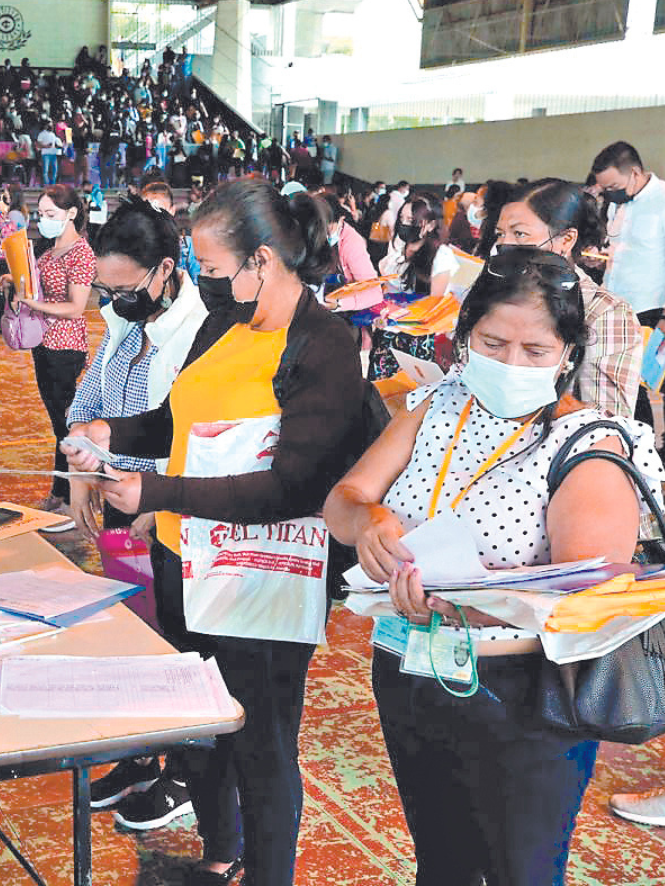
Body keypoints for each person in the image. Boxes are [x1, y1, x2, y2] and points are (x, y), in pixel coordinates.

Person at [324, 246, 663, 886]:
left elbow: (590, 602)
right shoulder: (439, 404)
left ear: (568, 354)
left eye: (535, 351)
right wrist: (368, 522)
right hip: (408, 670)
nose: (511, 362)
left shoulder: (589, 446)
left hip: (521, 700)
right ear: (464, 336)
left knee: (522, 871)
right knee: (442, 865)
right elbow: (345, 498)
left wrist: (470, 603)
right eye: (492, 341)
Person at [65, 180, 368, 886]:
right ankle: (220, 853)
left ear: (262, 260)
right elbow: (178, 417)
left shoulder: (322, 347)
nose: (206, 284)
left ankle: (267, 873)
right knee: (197, 729)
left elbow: (290, 487)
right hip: (184, 555)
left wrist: (158, 490)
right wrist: (109, 432)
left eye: (214, 270)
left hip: (266, 575)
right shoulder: (223, 322)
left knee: (261, 744)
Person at [64, 196, 209, 826]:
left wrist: (160, 503)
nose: (115, 300)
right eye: (106, 288)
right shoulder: (124, 324)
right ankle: (145, 753)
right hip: (120, 503)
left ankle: (183, 774)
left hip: (167, 511)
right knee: (134, 635)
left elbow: (192, 436)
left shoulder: (198, 333)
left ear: (166, 269)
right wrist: (80, 472)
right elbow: (88, 400)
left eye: (126, 288)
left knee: (178, 644)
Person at [493, 178, 640, 419]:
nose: (504, 244)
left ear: (566, 240)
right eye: (500, 234)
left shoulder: (604, 312)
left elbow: (608, 421)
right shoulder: (497, 293)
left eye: (519, 233)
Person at [10, 184, 95, 524]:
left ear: (71, 214)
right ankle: (62, 492)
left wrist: (34, 303)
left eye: (50, 215)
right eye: (41, 215)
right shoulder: (48, 252)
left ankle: (68, 494)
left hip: (66, 346)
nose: (44, 221)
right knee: (58, 424)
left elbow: (76, 307)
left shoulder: (80, 253)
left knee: (66, 424)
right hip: (44, 343)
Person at [370, 194, 459, 379]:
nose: (404, 224)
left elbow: (433, 305)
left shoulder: (441, 255)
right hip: (386, 331)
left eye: (411, 220)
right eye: (401, 218)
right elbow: (386, 289)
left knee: (406, 391)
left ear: (431, 224)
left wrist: (399, 312)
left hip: (414, 337)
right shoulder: (397, 247)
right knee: (378, 388)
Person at [591, 141, 665, 323]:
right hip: (612, 301)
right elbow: (624, 248)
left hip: (648, 308)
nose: (610, 194)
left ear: (635, 173)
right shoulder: (616, 204)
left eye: (614, 187)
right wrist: (600, 260)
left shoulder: (661, 199)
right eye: (605, 189)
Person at [37, 122, 63, 186]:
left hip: (53, 153)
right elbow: (38, 144)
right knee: (46, 170)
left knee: (55, 169)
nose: (51, 127)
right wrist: (46, 146)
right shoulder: (41, 134)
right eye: (50, 126)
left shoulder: (53, 134)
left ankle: (53, 183)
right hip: (45, 153)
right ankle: (47, 183)